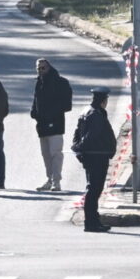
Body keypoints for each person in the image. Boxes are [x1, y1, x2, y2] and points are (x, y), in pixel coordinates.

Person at [72, 87, 117, 233]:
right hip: (96, 156)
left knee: (94, 189)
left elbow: (77, 132)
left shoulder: (87, 111)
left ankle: (94, 220)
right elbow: (90, 136)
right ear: (103, 101)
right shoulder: (96, 114)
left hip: (94, 155)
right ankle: (91, 222)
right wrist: (79, 148)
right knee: (94, 189)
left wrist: (77, 147)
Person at [31, 58, 72, 191]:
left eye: (43, 68)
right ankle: (49, 179)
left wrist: (51, 114)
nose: (41, 70)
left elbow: (67, 105)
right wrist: (34, 112)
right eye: (38, 68)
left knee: (56, 154)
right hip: (42, 126)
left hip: (55, 125)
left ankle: (56, 182)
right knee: (46, 154)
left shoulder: (60, 82)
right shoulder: (39, 82)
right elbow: (35, 100)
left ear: (49, 67)